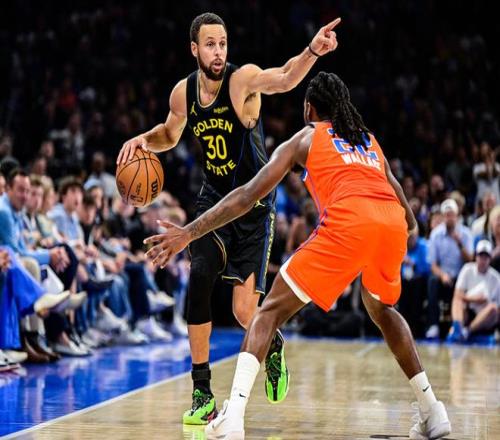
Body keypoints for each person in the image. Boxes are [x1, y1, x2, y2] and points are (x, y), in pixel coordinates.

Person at [144, 72, 452, 439]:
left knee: (268, 313)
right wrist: (396, 228)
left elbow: (247, 195)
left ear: (309, 108)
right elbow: (407, 212)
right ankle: (433, 410)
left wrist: (189, 232)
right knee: (383, 311)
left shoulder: (305, 138)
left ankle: (232, 417)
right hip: (391, 225)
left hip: (350, 223)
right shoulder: (369, 141)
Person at [117, 12, 341, 424]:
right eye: (210, 44)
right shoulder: (183, 93)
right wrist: (143, 140)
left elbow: (285, 77)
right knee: (200, 275)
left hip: (254, 207)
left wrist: (313, 50)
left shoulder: (242, 82)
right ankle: (202, 393)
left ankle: (273, 343)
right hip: (215, 201)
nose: (218, 52)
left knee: (243, 312)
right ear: (194, 49)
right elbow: (169, 133)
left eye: (222, 43)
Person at [425, 198, 473, 339]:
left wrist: (459, 243)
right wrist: (442, 275)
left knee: (464, 282)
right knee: (432, 281)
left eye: (451, 215)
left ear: (457, 216)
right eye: (446, 215)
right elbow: (433, 264)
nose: (449, 218)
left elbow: (470, 260)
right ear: (443, 217)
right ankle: (433, 325)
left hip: (460, 276)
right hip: (443, 276)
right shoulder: (435, 234)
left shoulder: (465, 233)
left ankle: (458, 325)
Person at [447, 240, 499, 342]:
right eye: (481, 256)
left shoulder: (496, 278)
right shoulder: (467, 269)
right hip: (467, 310)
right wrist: (474, 299)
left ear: (490, 259)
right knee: (457, 300)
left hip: (484, 316)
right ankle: (457, 328)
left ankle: (467, 331)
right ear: (476, 256)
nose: (483, 260)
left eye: (486, 257)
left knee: (493, 308)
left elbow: (497, 307)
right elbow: (458, 294)